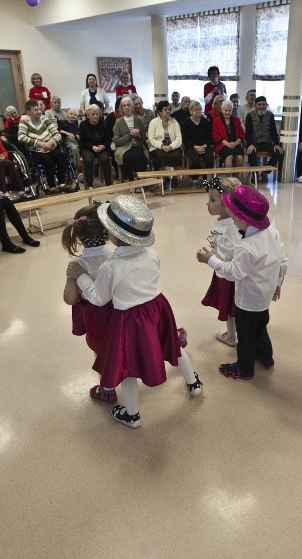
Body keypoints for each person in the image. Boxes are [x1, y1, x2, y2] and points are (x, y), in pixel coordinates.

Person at [68, 195, 203, 428]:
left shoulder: (111, 267)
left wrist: (80, 277)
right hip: (158, 309)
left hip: (130, 319)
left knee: (128, 365)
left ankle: (132, 415)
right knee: (173, 347)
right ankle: (193, 384)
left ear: (112, 235)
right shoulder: (153, 255)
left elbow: (99, 298)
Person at [196, 185, 288, 380]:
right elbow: (282, 260)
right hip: (265, 296)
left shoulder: (246, 246)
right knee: (261, 326)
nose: (232, 220)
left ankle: (244, 368)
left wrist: (210, 260)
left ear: (244, 219)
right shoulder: (273, 232)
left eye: (234, 216)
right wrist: (278, 282)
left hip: (247, 301)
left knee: (245, 335)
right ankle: (266, 356)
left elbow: (233, 273)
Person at [62, 203, 113, 356]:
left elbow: (70, 299)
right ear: (108, 233)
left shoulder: (77, 264)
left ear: (78, 235)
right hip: (119, 311)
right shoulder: (116, 256)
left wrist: (74, 277)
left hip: (95, 316)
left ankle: (105, 379)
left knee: (100, 351)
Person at [199, 175, 242, 346]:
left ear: (227, 205)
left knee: (230, 308)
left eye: (212, 199)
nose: (207, 203)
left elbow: (230, 256)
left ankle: (232, 337)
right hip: (225, 271)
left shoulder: (229, 228)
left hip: (227, 275)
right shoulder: (227, 222)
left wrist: (210, 258)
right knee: (233, 307)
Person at [18, 99, 69, 194]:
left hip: (50, 147)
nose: (38, 111)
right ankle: (52, 186)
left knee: (61, 156)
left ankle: (61, 183)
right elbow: (21, 137)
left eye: (39, 109)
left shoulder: (45, 119)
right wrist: (39, 143)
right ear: (28, 111)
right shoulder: (24, 121)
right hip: (36, 150)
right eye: (35, 110)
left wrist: (51, 142)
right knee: (47, 160)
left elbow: (57, 134)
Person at [244, 96, 283, 181]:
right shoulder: (250, 115)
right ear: (255, 105)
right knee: (251, 152)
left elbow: (273, 131)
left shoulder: (270, 115)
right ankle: (255, 173)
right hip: (254, 142)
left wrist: (276, 144)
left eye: (263, 104)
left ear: (266, 105)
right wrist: (250, 144)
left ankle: (265, 172)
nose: (261, 106)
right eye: (259, 104)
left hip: (267, 142)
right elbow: (248, 133)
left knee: (279, 152)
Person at [113, 96, 149, 183]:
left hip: (137, 145)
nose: (126, 107)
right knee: (127, 157)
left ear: (132, 107)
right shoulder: (118, 122)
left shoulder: (138, 120)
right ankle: (131, 180)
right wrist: (130, 135)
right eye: (124, 106)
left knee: (140, 156)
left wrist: (138, 135)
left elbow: (144, 138)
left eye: (128, 105)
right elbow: (117, 141)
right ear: (121, 108)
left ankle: (140, 181)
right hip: (124, 148)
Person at [79, 104, 112, 189]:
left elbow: (109, 138)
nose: (95, 116)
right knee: (88, 160)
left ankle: (109, 184)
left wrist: (104, 146)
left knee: (105, 159)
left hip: (101, 146)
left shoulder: (103, 122)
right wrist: (92, 147)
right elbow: (82, 141)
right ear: (88, 115)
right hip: (88, 147)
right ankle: (90, 185)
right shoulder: (83, 124)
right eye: (93, 114)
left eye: (97, 114)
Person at [147, 101, 183, 171]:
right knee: (160, 156)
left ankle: (175, 178)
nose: (168, 111)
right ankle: (161, 178)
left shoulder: (174, 122)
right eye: (165, 109)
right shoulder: (153, 122)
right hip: (157, 147)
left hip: (172, 146)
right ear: (160, 111)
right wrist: (162, 146)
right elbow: (151, 139)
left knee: (177, 154)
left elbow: (179, 138)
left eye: (169, 109)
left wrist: (171, 147)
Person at [181, 101, 215, 171]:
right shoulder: (186, 123)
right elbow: (185, 139)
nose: (198, 111)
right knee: (195, 160)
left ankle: (207, 178)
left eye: (200, 109)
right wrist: (195, 147)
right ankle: (194, 179)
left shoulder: (206, 122)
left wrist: (204, 146)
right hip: (191, 147)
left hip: (205, 146)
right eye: (196, 109)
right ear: (191, 111)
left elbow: (210, 137)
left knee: (210, 159)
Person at [212, 100, 244, 169]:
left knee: (240, 158)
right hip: (222, 145)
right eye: (225, 110)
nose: (228, 112)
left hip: (235, 144)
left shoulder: (236, 119)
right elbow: (215, 136)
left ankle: (236, 179)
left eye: (230, 110)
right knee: (229, 157)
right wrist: (227, 144)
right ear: (222, 110)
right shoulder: (216, 121)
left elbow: (241, 133)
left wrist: (235, 143)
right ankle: (228, 179)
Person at [57, 108, 81, 173]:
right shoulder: (63, 122)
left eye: (75, 115)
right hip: (69, 139)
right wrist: (67, 133)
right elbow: (58, 130)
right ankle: (79, 167)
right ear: (67, 115)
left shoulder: (77, 123)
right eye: (71, 114)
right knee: (74, 148)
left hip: (79, 139)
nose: (73, 116)